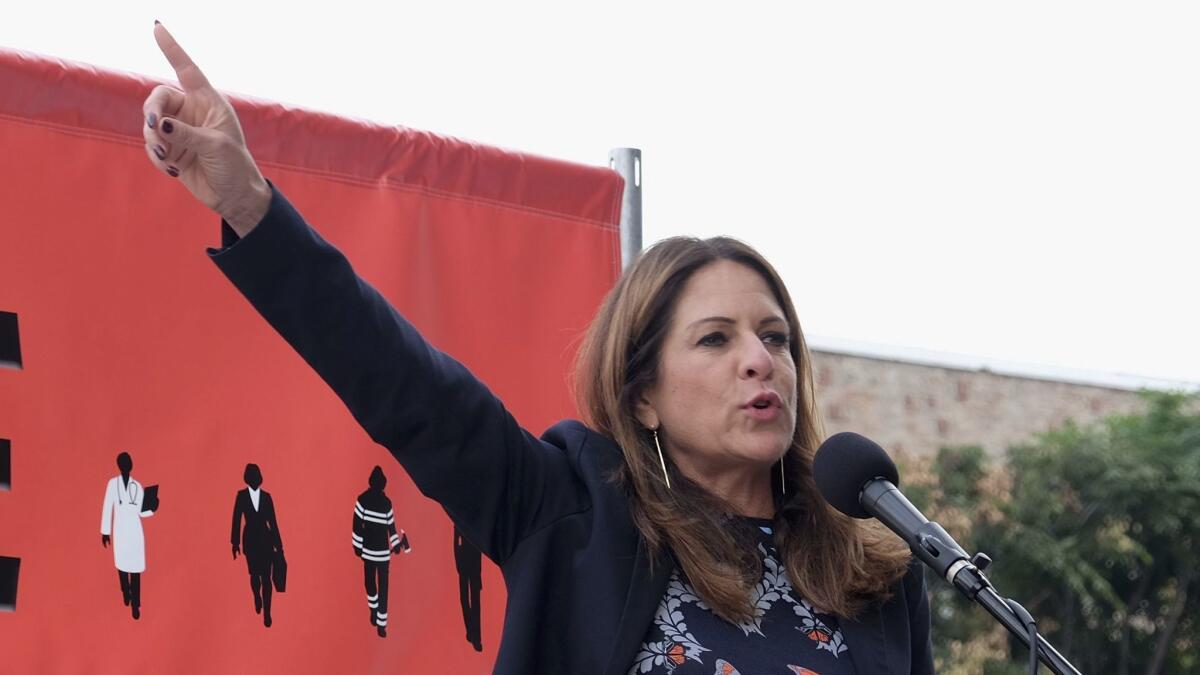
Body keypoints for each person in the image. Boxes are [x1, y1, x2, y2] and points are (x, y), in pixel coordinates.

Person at [143, 23, 932, 674]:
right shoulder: (572, 513)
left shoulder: (877, 574)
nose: (759, 360)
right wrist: (249, 204)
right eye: (715, 339)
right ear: (642, 394)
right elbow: (402, 382)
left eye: (775, 337)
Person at [353, 465, 410, 638]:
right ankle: (381, 622)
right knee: (383, 588)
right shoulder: (385, 504)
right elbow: (391, 529)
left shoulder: (363, 500)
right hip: (382, 554)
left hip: (370, 553)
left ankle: (375, 612)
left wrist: (358, 547)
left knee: (370, 584)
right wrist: (396, 545)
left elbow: (357, 527)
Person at [100, 451, 154, 620]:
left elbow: (142, 512)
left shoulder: (137, 486)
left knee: (136, 571)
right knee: (122, 567)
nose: (127, 465)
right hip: (120, 531)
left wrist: (153, 506)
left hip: (135, 531)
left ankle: (136, 604)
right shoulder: (112, 484)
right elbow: (108, 506)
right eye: (124, 462)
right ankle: (125, 591)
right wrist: (105, 531)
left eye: (128, 462)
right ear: (120, 465)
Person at [231, 463, 284, 627]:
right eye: (251, 476)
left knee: (267, 578)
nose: (254, 479)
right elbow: (236, 520)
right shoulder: (241, 496)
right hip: (251, 542)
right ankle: (256, 596)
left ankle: (267, 612)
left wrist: (279, 545)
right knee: (254, 576)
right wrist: (235, 543)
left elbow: (273, 522)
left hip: (266, 541)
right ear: (248, 478)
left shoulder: (267, 497)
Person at [453, 525, 483, 652]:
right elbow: (456, 544)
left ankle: (475, 635)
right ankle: (472, 633)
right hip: (464, 566)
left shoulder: (471, 525)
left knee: (473, 600)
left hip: (471, 566)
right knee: (466, 599)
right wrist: (458, 566)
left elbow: (479, 550)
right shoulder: (460, 525)